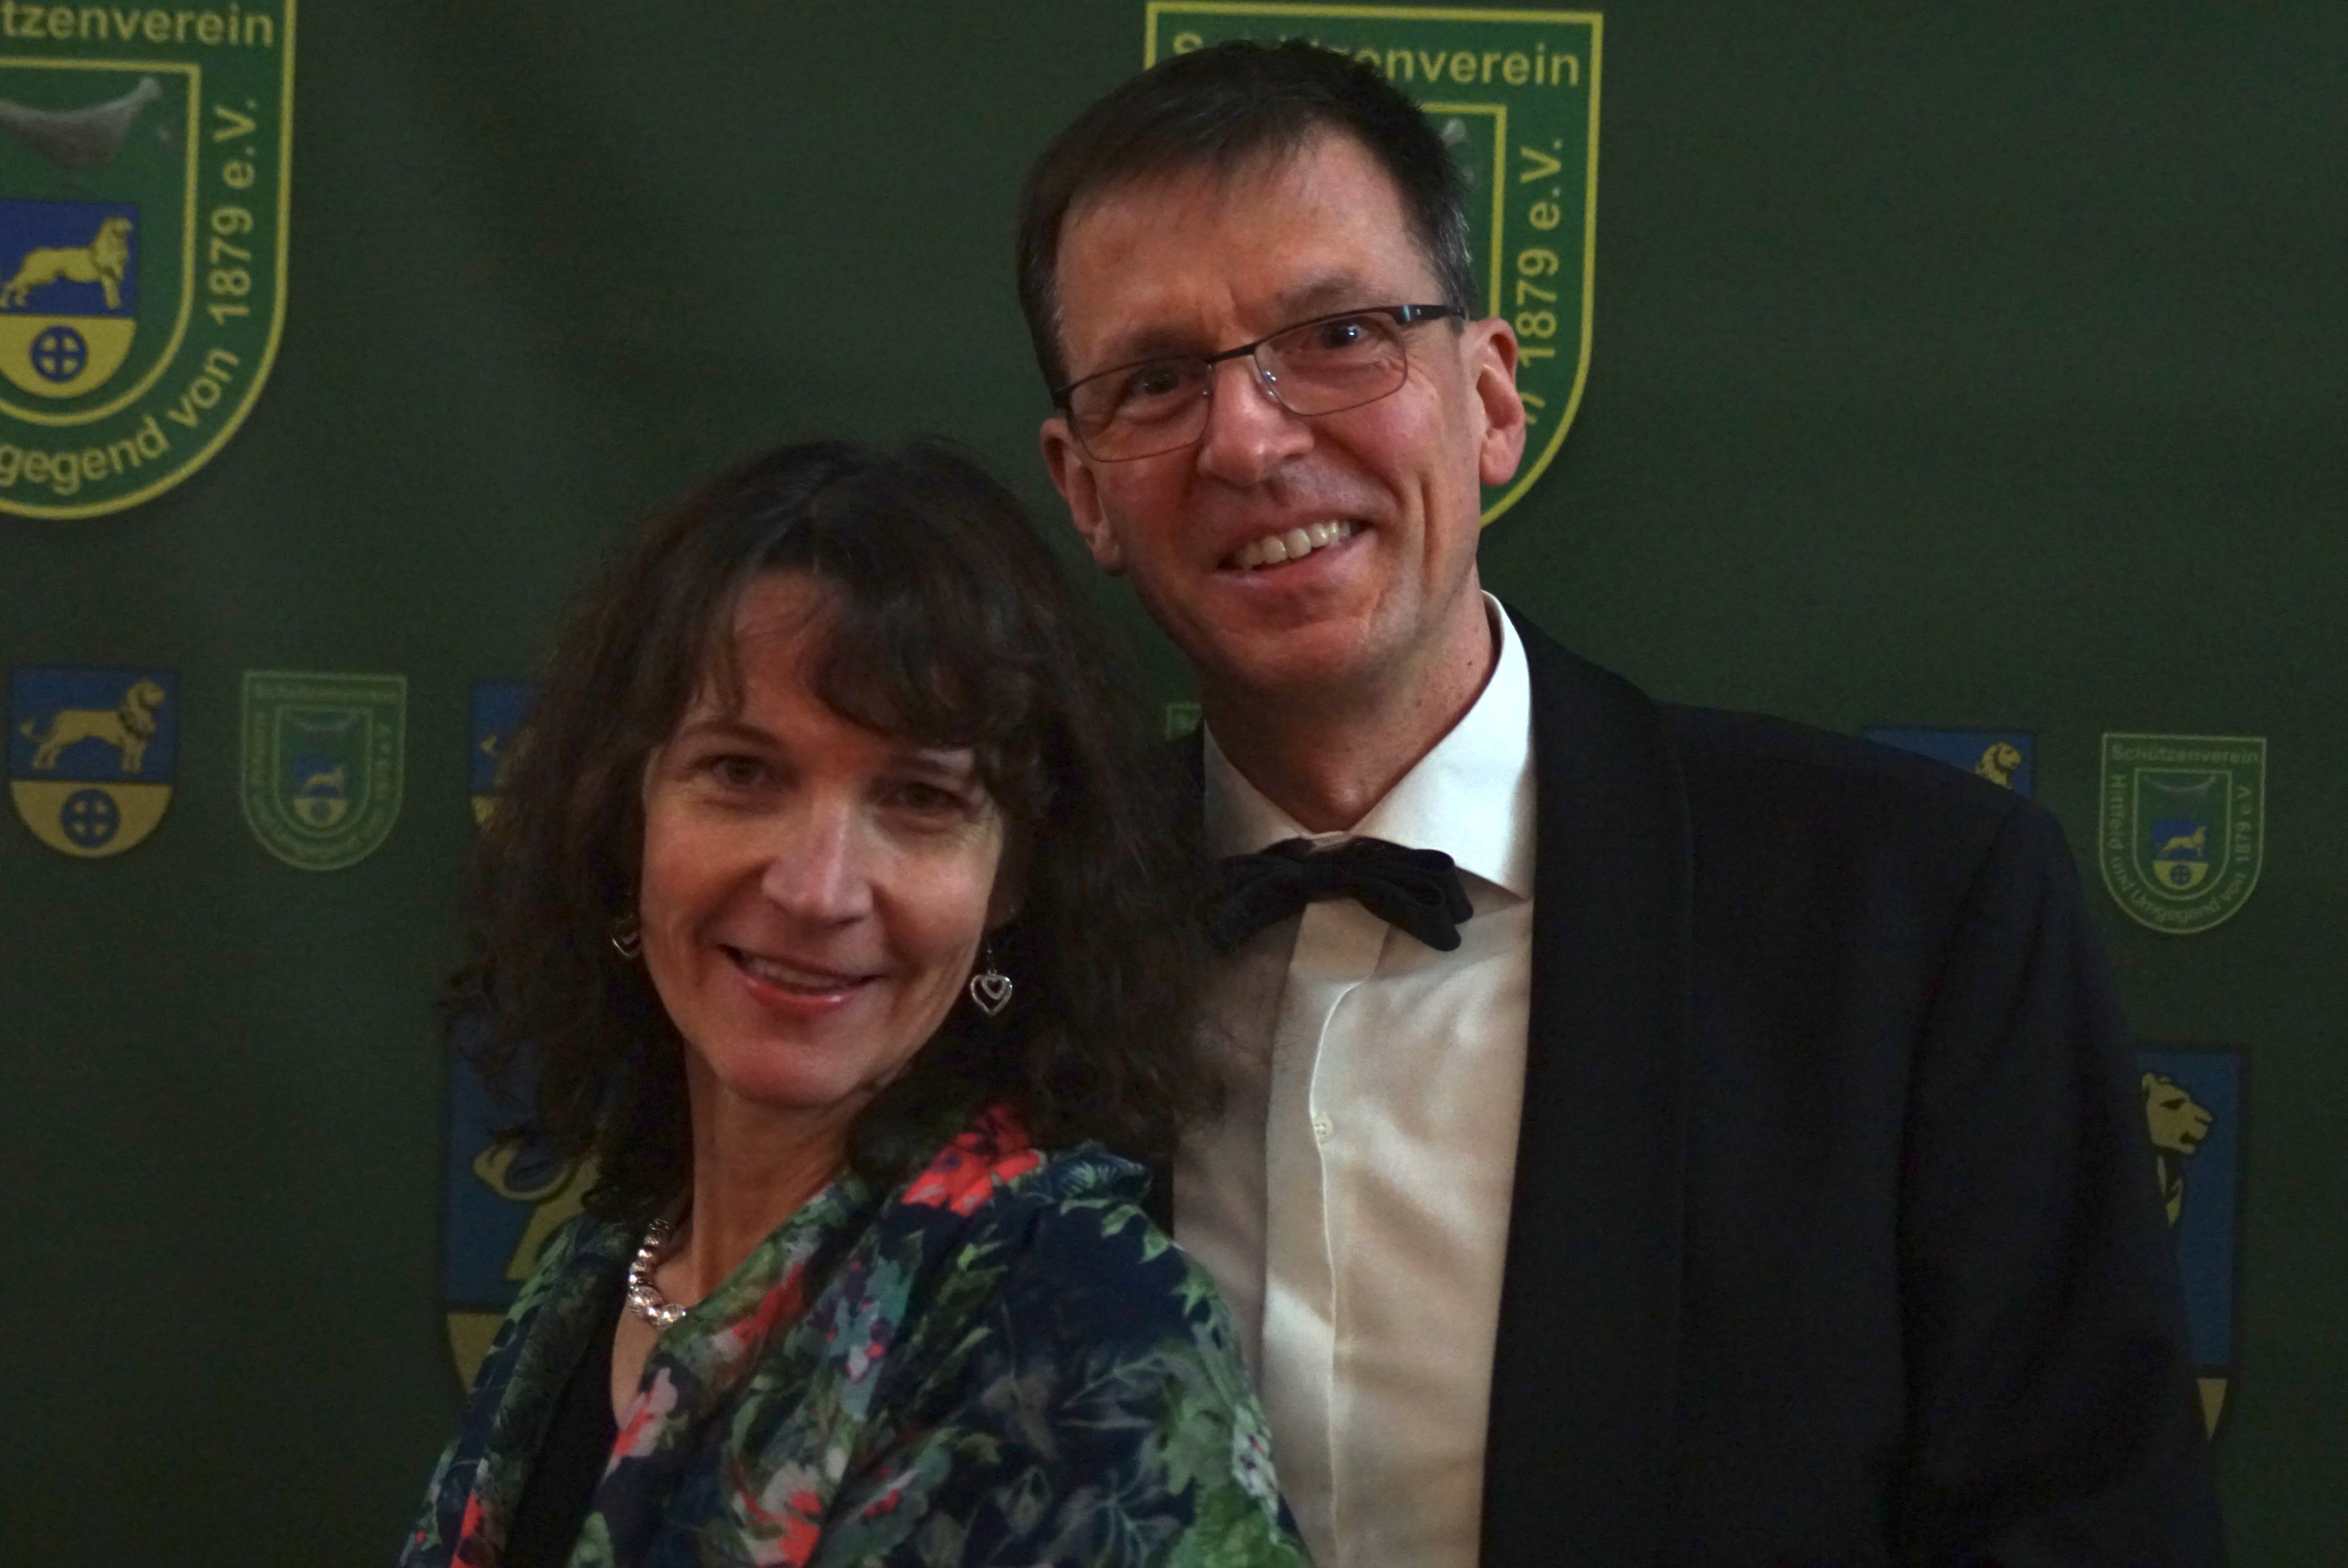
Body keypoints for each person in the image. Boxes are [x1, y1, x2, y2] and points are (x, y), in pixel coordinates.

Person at [1017, 41, 2225, 1568]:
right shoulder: (995, 934)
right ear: (1083, 487)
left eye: (1339, 336)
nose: (1249, 438)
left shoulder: (1912, 916)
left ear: (1489, 398)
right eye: (1155, 382)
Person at [402, 441, 1309, 1567]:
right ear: (627, 818)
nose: (817, 888)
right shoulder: (597, 1275)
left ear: (1012, 880)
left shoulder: (1089, 1334)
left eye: (919, 798)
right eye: (743, 774)